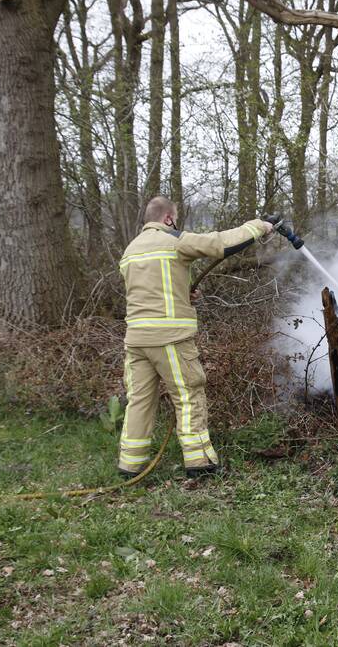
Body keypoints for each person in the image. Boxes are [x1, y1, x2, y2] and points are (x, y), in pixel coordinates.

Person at [117, 196, 274, 478]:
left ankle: (130, 465)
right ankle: (199, 462)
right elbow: (220, 243)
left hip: (136, 341)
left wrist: (182, 293)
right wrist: (259, 226)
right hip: (170, 338)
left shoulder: (130, 250)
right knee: (189, 396)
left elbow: (149, 290)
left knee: (139, 400)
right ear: (168, 218)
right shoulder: (174, 241)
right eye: (175, 219)